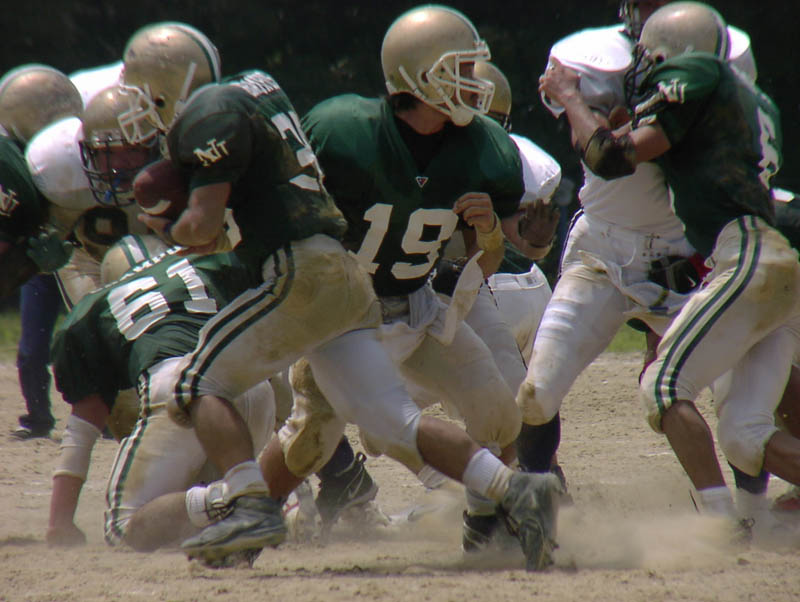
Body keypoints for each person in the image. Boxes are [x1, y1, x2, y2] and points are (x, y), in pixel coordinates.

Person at [124, 14, 561, 570]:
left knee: (496, 414)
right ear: (417, 74)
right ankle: (249, 523)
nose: (476, 83)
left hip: (408, 303)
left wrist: (493, 232)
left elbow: (487, 258)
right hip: (348, 301)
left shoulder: (485, 148)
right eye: (462, 69)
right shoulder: (342, 131)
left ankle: (485, 519)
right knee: (312, 438)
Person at [540, 1, 800, 532]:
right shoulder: (752, 99)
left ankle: (719, 527)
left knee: (661, 386)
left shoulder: (696, 74)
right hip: (772, 259)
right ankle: (743, 516)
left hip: (747, 258)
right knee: (744, 433)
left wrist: (570, 96)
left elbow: (610, 158)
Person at [46, 236, 275, 552]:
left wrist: (60, 522)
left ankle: (245, 499)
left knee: (123, 529)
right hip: (254, 387)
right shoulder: (206, 264)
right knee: (192, 506)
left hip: (179, 388)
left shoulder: (91, 311)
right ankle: (268, 491)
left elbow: (82, 432)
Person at [0, 64, 84, 439]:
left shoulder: (76, 146)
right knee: (32, 349)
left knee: (90, 339)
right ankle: (38, 417)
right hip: (37, 256)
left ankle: (108, 415)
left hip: (78, 257)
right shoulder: (13, 164)